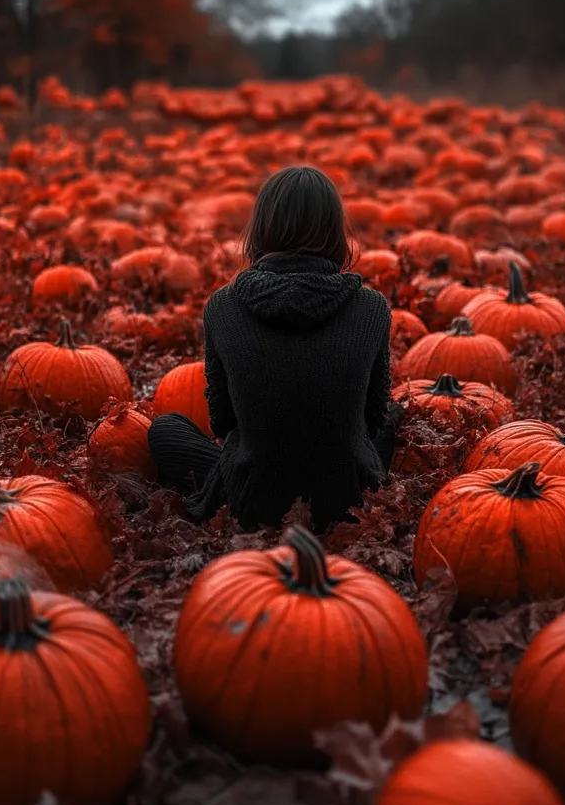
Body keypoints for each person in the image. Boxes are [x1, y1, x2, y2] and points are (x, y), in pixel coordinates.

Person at [147, 165, 399, 531]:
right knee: (392, 417)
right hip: (347, 500)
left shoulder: (223, 307)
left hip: (253, 500)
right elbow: (373, 419)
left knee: (166, 429)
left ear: (261, 228)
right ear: (335, 231)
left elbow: (222, 422)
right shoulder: (371, 307)